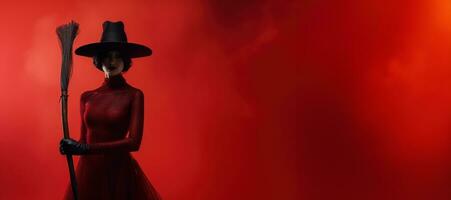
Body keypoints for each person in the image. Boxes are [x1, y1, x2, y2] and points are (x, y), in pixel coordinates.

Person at [59, 21, 161, 200]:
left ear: (125, 60)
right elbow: (84, 141)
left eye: (117, 56)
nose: (112, 62)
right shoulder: (87, 97)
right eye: (107, 56)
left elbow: (134, 143)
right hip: (89, 174)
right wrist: (70, 146)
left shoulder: (134, 95)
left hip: (118, 173)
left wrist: (85, 148)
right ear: (99, 60)